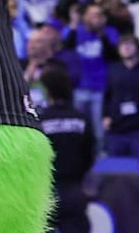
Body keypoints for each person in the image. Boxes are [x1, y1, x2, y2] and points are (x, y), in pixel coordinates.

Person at [38, 62, 94, 233]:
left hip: (46, 190)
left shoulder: (40, 120)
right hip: (74, 189)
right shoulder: (82, 118)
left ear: (47, 91)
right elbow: (89, 152)